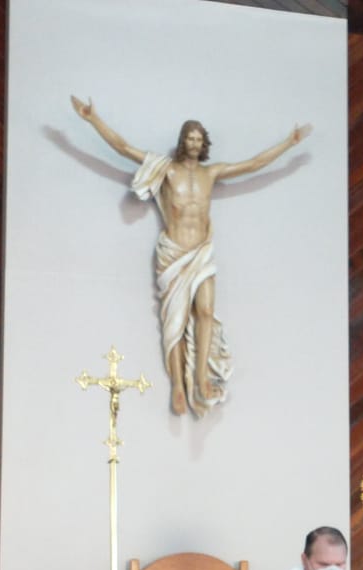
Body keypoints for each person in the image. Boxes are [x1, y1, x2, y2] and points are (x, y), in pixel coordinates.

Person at [70, 96, 312, 418]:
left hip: (201, 253)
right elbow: (124, 148)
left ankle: (200, 379)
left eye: (199, 139)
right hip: (174, 255)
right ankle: (177, 386)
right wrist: (93, 119)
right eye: (190, 138)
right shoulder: (167, 170)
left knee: (207, 312)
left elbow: (253, 164)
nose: (195, 144)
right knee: (176, 321)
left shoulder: (211, 173)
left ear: (204, 143)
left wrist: (289, 143)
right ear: (182, 141)